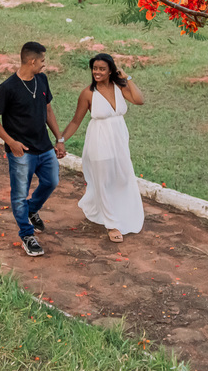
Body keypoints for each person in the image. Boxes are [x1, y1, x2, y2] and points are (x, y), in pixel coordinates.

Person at [0, 41, 67, 257]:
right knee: (19, 194)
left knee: (51, 181)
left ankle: (31, 210)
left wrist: (59, 139)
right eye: (42, 61)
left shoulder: (41, 80)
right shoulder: (8, 88)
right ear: (32, 61)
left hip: (44, 146)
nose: (43, 65)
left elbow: (48, 110)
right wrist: (11, 143)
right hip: (21, 151)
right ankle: (26, 234)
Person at [60, 52, 145, 243]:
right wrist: (61, 140)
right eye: (95, 68)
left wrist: (127, 78)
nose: (97, 72)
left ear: (110, 71)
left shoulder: (119, 87)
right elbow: (75, 121)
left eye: (102, 69)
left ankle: (113, 210)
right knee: (103, 180)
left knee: (122, 177)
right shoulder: (88, 93)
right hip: (98, 140)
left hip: (119, 139)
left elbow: (139, 100)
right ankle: (111, 224)